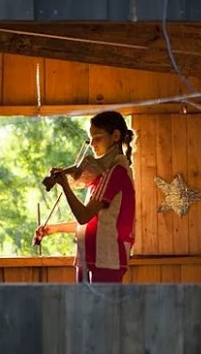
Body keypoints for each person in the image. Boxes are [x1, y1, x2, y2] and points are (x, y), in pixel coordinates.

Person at [34, 111, 136, 283]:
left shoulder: (115, 172)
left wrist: (65, 185)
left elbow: (83, 216)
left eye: (97, 137)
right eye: (91, 138)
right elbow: (95, 223)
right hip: (90, 258)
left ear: (116, 136)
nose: (92, 144)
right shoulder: (102, 174)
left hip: (105, 260)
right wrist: (54, 229)